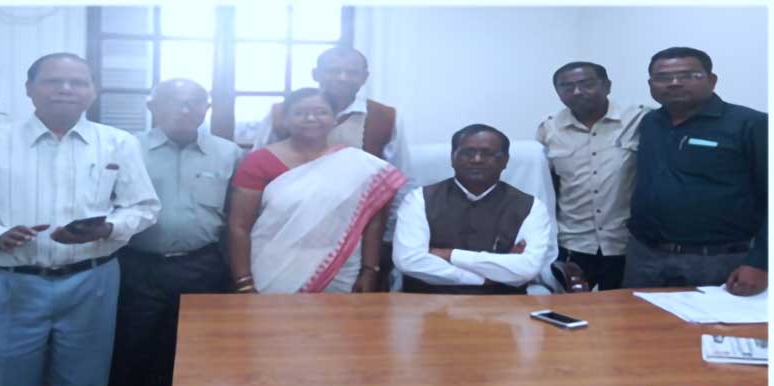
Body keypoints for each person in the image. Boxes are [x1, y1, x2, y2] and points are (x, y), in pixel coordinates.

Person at [0, 52, 160, 386]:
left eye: (78, 82)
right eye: (54, 81)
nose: (66, 89)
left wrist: (109, 227)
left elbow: (144, 207)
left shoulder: (117, 143)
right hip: (7, 284)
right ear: (29, 89)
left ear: (93, 91)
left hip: (91, 281)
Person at [102, 79, 243, 386]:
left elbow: (237, 216)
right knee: (132, 360)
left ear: (206, 108)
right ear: (153, 107)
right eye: (174, 102)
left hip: (203, 268)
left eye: (195, 102)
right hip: (138, 266)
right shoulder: (125, 148)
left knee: (192, 362)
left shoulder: (228, 152)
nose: (185, 109)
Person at [252, 46, 411, 288]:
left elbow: (399, 182)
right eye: (333, 71)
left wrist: (388, 240)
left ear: (364, 77)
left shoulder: (385, 117)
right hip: (285, 234)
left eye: (351, 72)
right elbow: (258, 171)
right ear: (316, 74)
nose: (342, 78)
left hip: (358, 239)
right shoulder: (281, 114)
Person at [229, 87, 405, 293]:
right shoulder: (259, 162)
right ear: (285, 119)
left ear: (335, 119)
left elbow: (372, 221)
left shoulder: (355, 163)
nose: (311, 118)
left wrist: (369, 270)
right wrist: (244, 281)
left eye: (321, 112)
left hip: (340, 269)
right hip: (274, 267)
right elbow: (239, 226)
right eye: (300, 113)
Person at [624, 47, 767, 296]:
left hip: (719, 260)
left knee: (712, 322)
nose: (674, 83)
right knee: (635, 320)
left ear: (712, 80)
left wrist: (760, 262)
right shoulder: (650, 122)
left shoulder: (751, 124)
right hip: (645, 256)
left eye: (688, 75)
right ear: (650, 84)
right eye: (663, 77)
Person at [393, 124, 553, 294]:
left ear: (505, 161)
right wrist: (483, 279)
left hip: (502, 303)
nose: (477, 159)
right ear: (452, 158)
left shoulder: (530, 206)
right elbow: (408, 260)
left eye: (488, 153)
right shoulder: (419, 200)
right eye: (467, 152)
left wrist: (449, 255)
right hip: (427, 301)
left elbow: (527, 268)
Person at [536, 61, 648, 290]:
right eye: (567, 86)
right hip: (573, 241)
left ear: (607, 86)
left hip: (626, 242)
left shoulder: (639, 119)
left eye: (586, 84)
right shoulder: (549, 128)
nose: (577, 92)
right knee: (571, 307)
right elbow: (549, 184)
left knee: (624, 308)